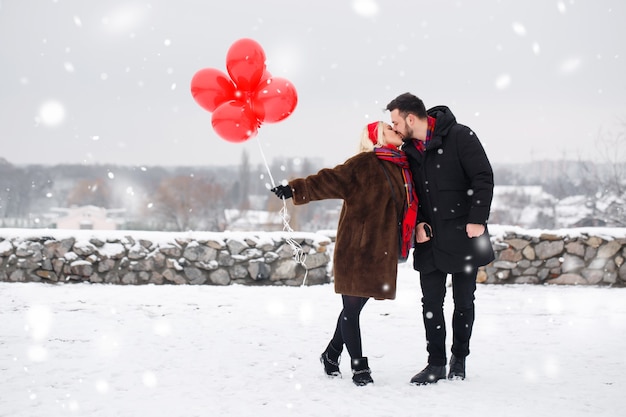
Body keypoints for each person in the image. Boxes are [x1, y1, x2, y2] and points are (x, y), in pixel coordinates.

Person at [271, 121, 418, 386]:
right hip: (356, 248)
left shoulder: (402, 167)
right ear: (376, 138)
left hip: (380, 251)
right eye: (389, 129)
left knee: (356, 306)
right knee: (351, 308)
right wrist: (294, 189)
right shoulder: (364, 163)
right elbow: (330, 179)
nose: (396, 130)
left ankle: (331, 353)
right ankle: (360, 367)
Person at [385, 92, 495, 385]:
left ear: (411, 118)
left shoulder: (460, 136)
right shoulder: (409, 150)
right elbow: (410, 194)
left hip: (464, 235)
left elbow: (483, 177)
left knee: (463, 301)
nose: (394, 127)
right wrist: (418, 222)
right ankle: (436, 364)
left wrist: (477, 219)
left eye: (395, 121)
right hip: (430, 238)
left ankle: (459, 357)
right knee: (431, 303)